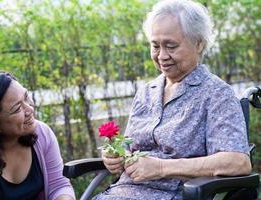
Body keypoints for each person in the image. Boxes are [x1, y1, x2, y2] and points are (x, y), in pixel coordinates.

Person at [94, 0, 251, 199]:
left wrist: (161, 167)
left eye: (171, 46)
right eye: (155, 46)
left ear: (198, 43)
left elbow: (238, 162)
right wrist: (114, 157)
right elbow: (129, 148)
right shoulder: (146, 92)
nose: (162, 56)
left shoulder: (216, 94)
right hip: (121, 193)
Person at [0, 70, 75, 200]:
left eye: (26, 97)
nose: (30, 109)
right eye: (17, 109)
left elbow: (59, 185)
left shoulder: (42, 134)